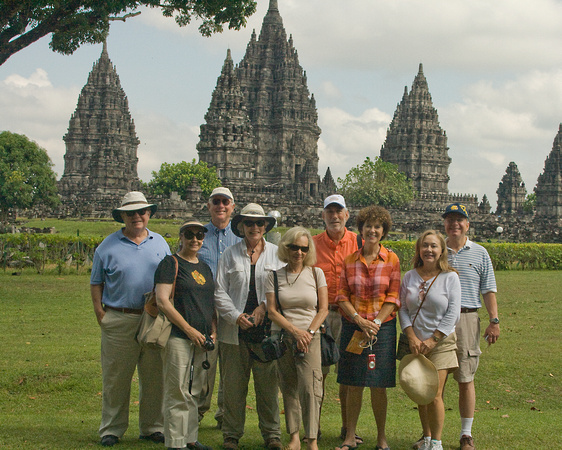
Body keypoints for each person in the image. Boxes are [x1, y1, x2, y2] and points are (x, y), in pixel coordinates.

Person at [90, 191, 171, 447]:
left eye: (142, 212)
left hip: (153, 317)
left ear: (149, 214)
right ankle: (112, 429)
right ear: (122, 216)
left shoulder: (160, 243)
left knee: (154, 376)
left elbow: (169, 279)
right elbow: (96, 282)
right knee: (116, 377)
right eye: (131, 213)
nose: (137, 217)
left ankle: (152, 426)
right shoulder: (107, 246)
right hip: (119, 317)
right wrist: (100, 313)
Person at [214, 203, 285, 450]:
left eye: (259, 223)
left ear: (265, 226)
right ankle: (231, 435)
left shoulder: (277, 254)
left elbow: (283, 286)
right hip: (235, 330)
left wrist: (265, 307)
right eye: (249, 223)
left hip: (266, 330)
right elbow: (219, 291)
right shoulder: (229, 255)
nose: (254, 227)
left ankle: (272, 434)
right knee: (233, 385)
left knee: (268, 387)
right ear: (241, 226)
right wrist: (235, 316)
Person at [335, 205, 401, 450]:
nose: (372, 231)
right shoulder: (349, 260)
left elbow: (393, 296)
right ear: (360, 230)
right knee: (353, 383)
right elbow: (341, 295)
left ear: (383, 231)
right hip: (354, 325)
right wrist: (359, 320)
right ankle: (350, 435)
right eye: (368, 226)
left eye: (377, 227)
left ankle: (381, 437)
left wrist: (375, 322)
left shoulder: (391, 259)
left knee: (379, 384)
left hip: (382, 329)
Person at [266, 227, 329, 450]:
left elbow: (323, 309)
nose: (299, 252)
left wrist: (308, 333)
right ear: (286, 248)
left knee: (311, 388)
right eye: (294, 247)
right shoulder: (274, 275)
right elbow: (272, 311)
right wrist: (294, 332)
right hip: (283, 336)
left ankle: (311, 438)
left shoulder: (316, 273)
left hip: (311, 337)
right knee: (289, 387)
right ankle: (294, 436)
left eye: (304, 248)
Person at [442, 203, 499, 450]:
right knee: (436, 380)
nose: (455, 224)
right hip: (438, 321)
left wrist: (494, 320)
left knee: (466, 378)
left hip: (467, 318)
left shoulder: (480, 252)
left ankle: (466, 434)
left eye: (460, 220)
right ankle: (432, 435)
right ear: (444, 223)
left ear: (467, 224)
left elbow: (488, 289)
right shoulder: (435, 249)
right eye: (450, 219)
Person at [154, 220, 216, 450]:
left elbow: (209, 301)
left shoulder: (205, 267)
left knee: (195, 390)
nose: (195, 239)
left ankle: (190, 437)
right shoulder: (170, 263)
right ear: (180, 237)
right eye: (189, 234)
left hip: (203, 338)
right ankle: (175, 441)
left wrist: (213, 330)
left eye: (199, 235)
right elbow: (162, 301)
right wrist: (188, 330)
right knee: (178, 390)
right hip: (179, 335)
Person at [399, 230, 461, 450]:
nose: (429, 250)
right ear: (419, 249)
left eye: (434, 246)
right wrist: (411, 336)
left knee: (434, 392)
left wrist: (434, 339)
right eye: (425, 245)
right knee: (420, 390)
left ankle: (436, 442)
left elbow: (453, 312)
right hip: (415, 341)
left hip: (441, 342)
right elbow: (403, 309)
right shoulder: (409, 276)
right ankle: (426, 437)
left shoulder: (450, 277)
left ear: (442, 250)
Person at [312, 194, 362, 443]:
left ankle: (348, 429)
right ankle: (314, 428)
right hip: (320, 316)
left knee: (349, 374)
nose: (334, 216)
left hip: (351, 318)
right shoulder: (310, 244)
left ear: (346, 215)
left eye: (338, 211)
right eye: (329, 212)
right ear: (323, 215)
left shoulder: (359, 243)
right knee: (318, 373)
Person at [197, 187, 241, 427]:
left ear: (233, 207)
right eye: (216, 201)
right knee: (204, 366)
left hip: (234, 312)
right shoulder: (198, 235)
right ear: (209, 205)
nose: (221, 206)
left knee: (232, 369)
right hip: (204, 312)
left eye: (225, 202)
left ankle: (226, 415)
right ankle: (196, 413)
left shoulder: (242, 237)